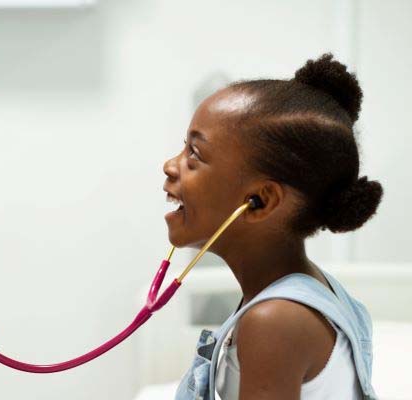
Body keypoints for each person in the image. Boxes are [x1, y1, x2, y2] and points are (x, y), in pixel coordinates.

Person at [164, 54, 382, 399]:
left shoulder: (274, 320)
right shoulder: (298, 294)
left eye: (195, 154)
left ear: (260, 201)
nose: (171, 166)